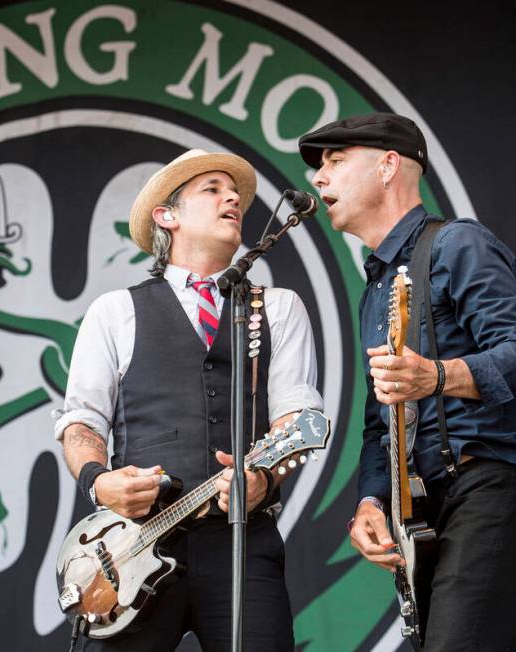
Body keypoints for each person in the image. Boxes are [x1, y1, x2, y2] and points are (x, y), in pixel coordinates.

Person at [298, 113, 516, 651]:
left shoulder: (457, 244)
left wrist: (435, 376)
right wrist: (371, 502)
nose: (317, 179)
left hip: (491, 484)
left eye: (335, 162)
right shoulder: (375, 287)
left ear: (389, 166)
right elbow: (380, 423)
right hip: (427, 507)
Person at [55, 148, 323, 651]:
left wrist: (263, 476)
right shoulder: (115, 311)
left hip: (243, 542)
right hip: (131, 545)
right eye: (213, 189)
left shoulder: (279, 308)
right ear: (167, 216)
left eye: (236, 193)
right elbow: (81, 423)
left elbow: (296, 418)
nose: (232, 199)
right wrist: (99, 481)